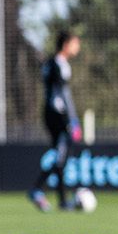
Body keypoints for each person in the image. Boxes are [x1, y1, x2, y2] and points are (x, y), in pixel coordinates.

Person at [29, 30, 83, 211]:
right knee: (61, 156)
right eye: (75, 43)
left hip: (51, 113)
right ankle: (38, 189)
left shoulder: (51, 63)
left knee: (60, 157)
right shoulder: (59, 64)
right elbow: (61, 95)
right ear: (66, 44)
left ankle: (60, 199)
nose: (78, 47)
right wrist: (71, 119)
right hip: (58, 114)